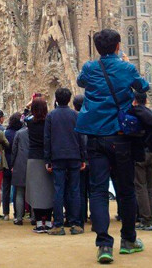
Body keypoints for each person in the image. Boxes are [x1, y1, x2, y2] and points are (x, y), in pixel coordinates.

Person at [75, 29, 150, 263]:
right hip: (120, 137)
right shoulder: (126, 68)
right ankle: (128, 240)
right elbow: (144, 86)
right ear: (119, 45)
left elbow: (80, 82)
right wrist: (126, 66)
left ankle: (104, 245)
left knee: (97, 191)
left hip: (95, 137)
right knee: (126, 190)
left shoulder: (89, 68)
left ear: (97, 47)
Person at [44, 88, 86, 236]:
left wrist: (48, 159)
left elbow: (47, 139)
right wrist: (83, 157)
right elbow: (81, 137)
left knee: (58, 190)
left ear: (56, 99)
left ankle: (58, 225)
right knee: (75, 190)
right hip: (74, 156)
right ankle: (76, 224)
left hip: (57, 158)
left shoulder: (51, 116)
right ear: (69, 100)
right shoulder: (75, 115)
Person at [130, 92, 152, 231]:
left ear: (135, 100)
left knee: (140, 186)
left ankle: (146, 219)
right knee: (151, 186)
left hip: (140, 153)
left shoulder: (133, 113)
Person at [25, 97, 54, 233]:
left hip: (33, 158)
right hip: (48, 158)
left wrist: (28, 105)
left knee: (35, 191)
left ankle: (38, 223)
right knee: (49, 190)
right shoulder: (50, 121)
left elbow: (23, 116)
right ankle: (48, 222)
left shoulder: (30, 123)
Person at [71, 95, 91, 227]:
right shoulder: (91, 116)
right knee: (95, 190)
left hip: (80, 159)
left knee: (80, 189)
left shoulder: (74, 118)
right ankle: (95, 216)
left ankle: (81, 216)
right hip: (93, 157)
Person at [1, 113, 21, 221]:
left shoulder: (6, 133)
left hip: (6, 162)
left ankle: (5, 213)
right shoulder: (20, 133)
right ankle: (17, 212)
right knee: (17, 189)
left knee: (6, 188)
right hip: (17, 162)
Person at [10, 117, 29, 226]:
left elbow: (14, 150)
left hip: (20, 163)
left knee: (19, 192)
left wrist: (12, 164)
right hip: (33, 162)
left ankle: (18, 217)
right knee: (33, 192)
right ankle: (34, 217)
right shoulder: (35, 133)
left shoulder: (19, 133)